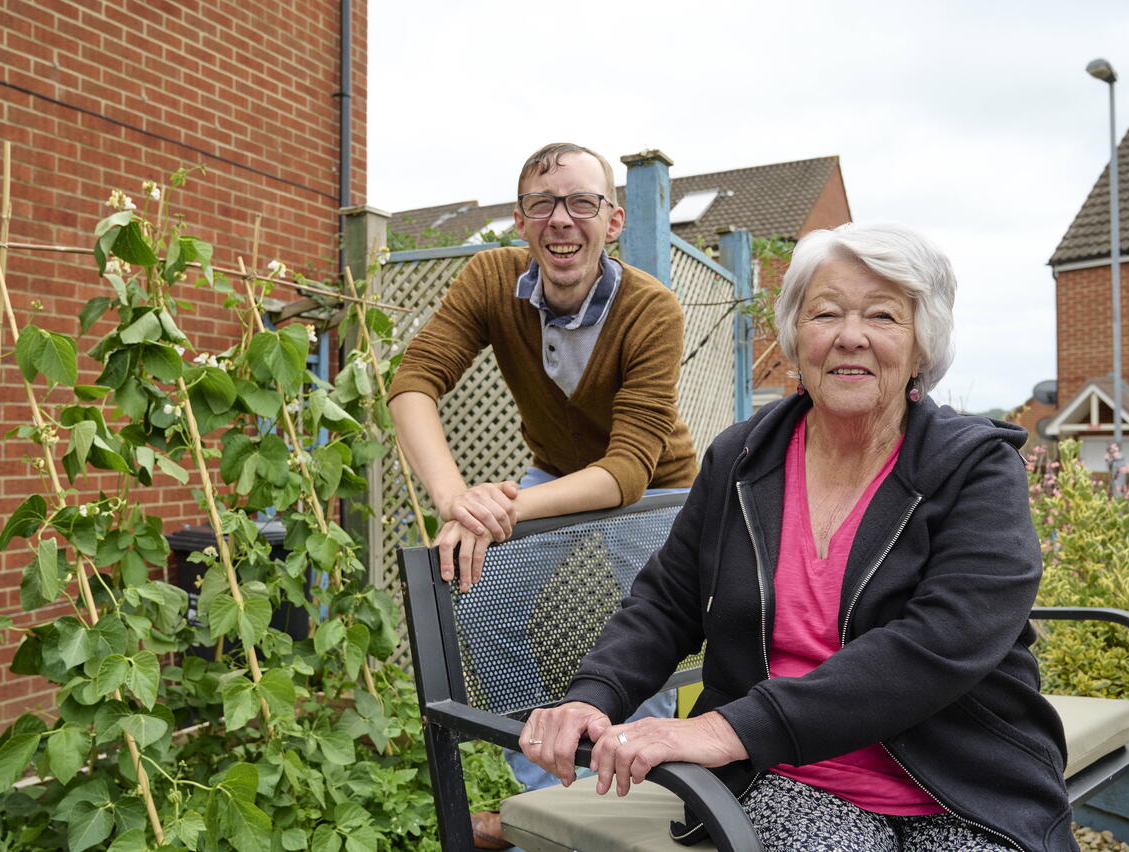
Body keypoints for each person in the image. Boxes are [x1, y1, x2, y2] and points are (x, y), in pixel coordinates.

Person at [519, 222, 1077, 852]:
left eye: (883, 315)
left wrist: (729, 727)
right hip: (783, 774)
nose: (850, 336)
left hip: (959, 780)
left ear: (921, 345)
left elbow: (942, 640)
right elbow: (668, 598)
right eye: (826, 312)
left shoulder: (974, 467)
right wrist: (597, 694)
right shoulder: (742, 458)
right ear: (795, 336)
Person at [387, 142, 696, 848]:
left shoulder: (652, 309)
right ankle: (546, 793)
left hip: (654, 485)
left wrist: (505, 509)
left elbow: (624, 471)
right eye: (542, 204)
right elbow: (414, 382)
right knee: (485, 605)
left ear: (612, 220)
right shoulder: (491, 279)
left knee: (647, 636)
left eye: (581, 202)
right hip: (556, 470)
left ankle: (628, 802)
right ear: (520, 221)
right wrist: (455, 499)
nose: (562, 219)